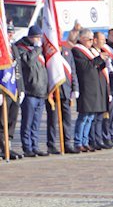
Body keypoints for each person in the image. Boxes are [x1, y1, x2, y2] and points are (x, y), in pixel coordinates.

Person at [72, 28, 109, 153]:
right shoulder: (77, 50)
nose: (92, 42)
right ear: (82, 39)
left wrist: (103, 61)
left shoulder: (89, 51)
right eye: (90, 39)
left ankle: (85, 141)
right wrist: (99, 59)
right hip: (85, 88)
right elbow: (85, 67)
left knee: (90, 117)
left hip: (94, 88)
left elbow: (96, 67)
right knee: (83, 117)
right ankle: (78, 141)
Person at [16, 25, 48, 157]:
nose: (39, 40)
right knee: (27, 122)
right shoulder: (21, 48)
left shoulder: (39, 50)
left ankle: (35, 146)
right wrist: (36, 49)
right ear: (31, 37)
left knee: (36, 123)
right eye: (37, 37)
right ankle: (27, 147)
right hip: (30, 90)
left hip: (41, 91)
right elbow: (28, 62)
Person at [45, 39, 78, 154]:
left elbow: (72, 71)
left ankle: (67, 143)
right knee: (53, 120)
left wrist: (75, 88)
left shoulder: (67, 51)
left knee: (67, 119)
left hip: (66, 90)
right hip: (53, 91)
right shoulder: (49, 52)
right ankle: (52, 144)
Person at [0, 23, 24, 160]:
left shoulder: (13, 48)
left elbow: (18, 69)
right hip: (3, 89)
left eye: (11, 32)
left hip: (14, 88)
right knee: (2, 121)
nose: (10, 35)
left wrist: (21, 89)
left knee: (12, 119)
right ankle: (3, 148)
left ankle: (8, 145)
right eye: (8, 32)